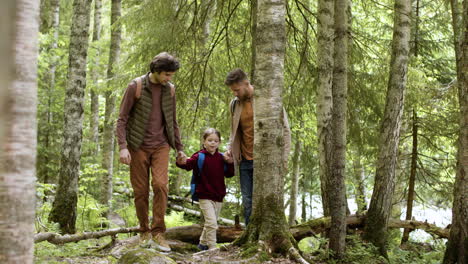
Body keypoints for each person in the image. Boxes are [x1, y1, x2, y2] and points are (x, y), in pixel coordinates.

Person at [116, 52, 187, 252]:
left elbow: (172, 122)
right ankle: (144, 231)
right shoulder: (135, 86)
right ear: (156, 71)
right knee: (140, 191)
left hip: (161, 145)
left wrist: (179, 149)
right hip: (137, 146)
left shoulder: (170, 90)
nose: (169, 78)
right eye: (166, 75)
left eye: (171, 75)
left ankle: (158, 233)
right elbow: (122, 119)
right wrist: (123, 147)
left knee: (160, 185)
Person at [224, 68, 291, 225]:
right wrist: (229, 149)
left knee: (267, 202)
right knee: (248, 202)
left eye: (237, 90)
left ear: (247, 84)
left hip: (267, 160)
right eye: (232, 90)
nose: (234, 93)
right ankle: (250, 236)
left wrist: (284, 158)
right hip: (245, 160)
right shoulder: (234, 105)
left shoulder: (267, 100)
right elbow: (233, 131)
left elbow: (285, 131)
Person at [176, 128, 234, 250]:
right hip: (204, 195)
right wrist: (181, 161)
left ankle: (202, 245)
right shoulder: (199, 156)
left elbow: (229, 174)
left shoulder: (221, 157)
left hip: (218, 196)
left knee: (210, 223)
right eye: (210, 140)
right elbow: (187, 164)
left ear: (219, 143)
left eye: (216, 141)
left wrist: (229, 162)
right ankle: (212, 249)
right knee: (213, 224)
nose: (213, 143)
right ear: (204, 142)